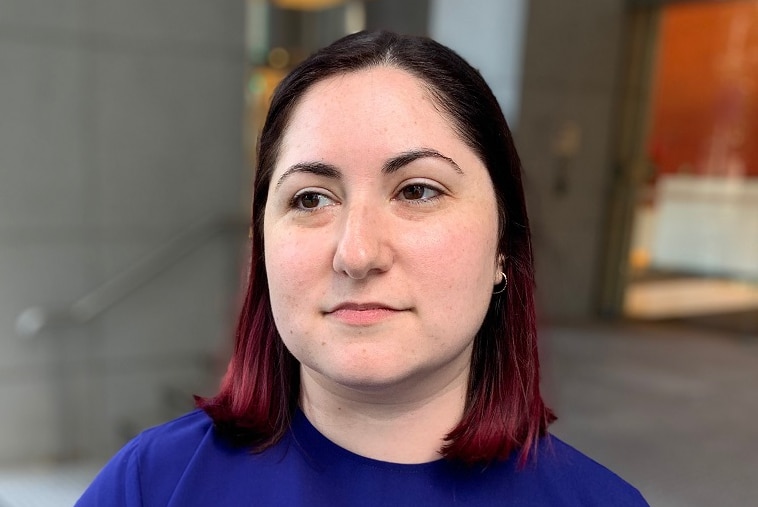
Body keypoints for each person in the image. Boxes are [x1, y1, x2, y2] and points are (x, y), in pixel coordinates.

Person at [77, 30, 649, 506]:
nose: (356, 254)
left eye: (418, 190)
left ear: (504, 244)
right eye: (310, 199)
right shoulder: (150, 487)